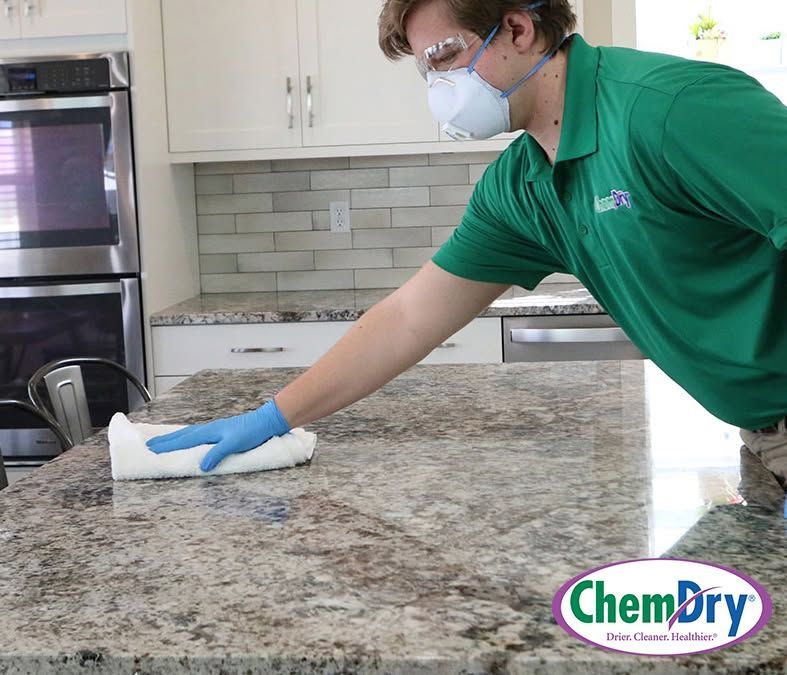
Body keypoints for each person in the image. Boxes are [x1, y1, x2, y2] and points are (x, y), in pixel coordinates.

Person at [147, 0, 787, 489]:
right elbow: (406, 318)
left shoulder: (673, 110)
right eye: (426, 68)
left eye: (445, 57)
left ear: (517, 29)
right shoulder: (522, 184)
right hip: (760, 430)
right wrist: (272, 417)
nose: (436, 86)